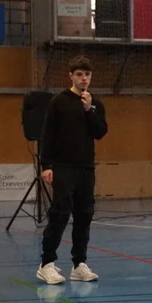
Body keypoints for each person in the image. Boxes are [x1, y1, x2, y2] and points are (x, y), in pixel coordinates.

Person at [36, 55, 108, 285]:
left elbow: (100, 132)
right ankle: (47, 263)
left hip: (86, 167)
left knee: (84, 215)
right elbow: (48, 134)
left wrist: (89, 110)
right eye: (79, 74)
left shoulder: (95, 104)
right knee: (60, 213)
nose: (84, 78)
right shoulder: (58, 102)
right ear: (71, 76)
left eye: (87, 74)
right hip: (63, 166)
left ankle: (79, 264)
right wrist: (46, 165)